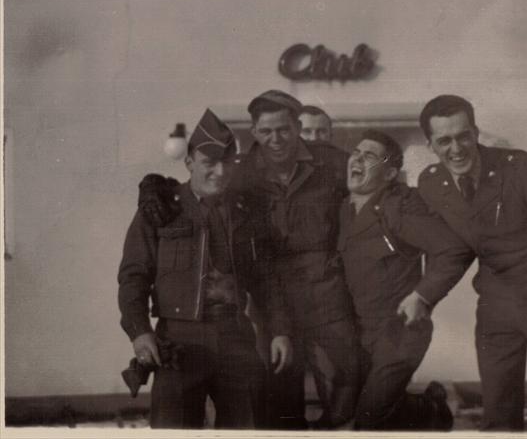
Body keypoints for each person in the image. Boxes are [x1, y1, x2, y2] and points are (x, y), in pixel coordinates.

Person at [137, 91, 359, 429]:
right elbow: (199, 182)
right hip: (268, 304)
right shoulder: (239, 171)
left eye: (284, 129)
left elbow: (379, 186)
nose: (275, 139)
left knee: (344, 392)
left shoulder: (334, 163)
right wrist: (153, 186)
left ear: (298, 127)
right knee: (277, 404)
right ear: (254, 131)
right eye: (266, 131)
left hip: (324, 299)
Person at [416, 95, 527, 431]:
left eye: (463, 136)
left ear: (476, 132)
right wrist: (423, 295)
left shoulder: (524, 169)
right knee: (498, 405)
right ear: (430, 145)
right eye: (444, 140)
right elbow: (451, 250)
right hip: (495, 303)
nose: (456, 149)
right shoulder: (431, 184)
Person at [118, 109, 292, 429]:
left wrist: (280, 331)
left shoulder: (247, 212)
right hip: (179, 339)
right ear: (189, 163)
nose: (220, 171)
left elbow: (267, 280)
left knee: (248, 425)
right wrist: (139, 330)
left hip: (235, 336)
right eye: (209, 163)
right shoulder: (160, 209)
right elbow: (133, 276)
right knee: (173, 428)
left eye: (227, 162)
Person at [337, 129, 473, 430]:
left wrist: (423, 296)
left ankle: (431, 411)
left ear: (390, 173)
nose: (357, 159)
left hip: (400, 331)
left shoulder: (399, 205)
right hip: (363, 334)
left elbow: (453, 249)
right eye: (356, 153)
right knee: (370, 409)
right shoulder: (344, 211)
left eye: (369, 156)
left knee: (367, 421)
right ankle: (429, 408)